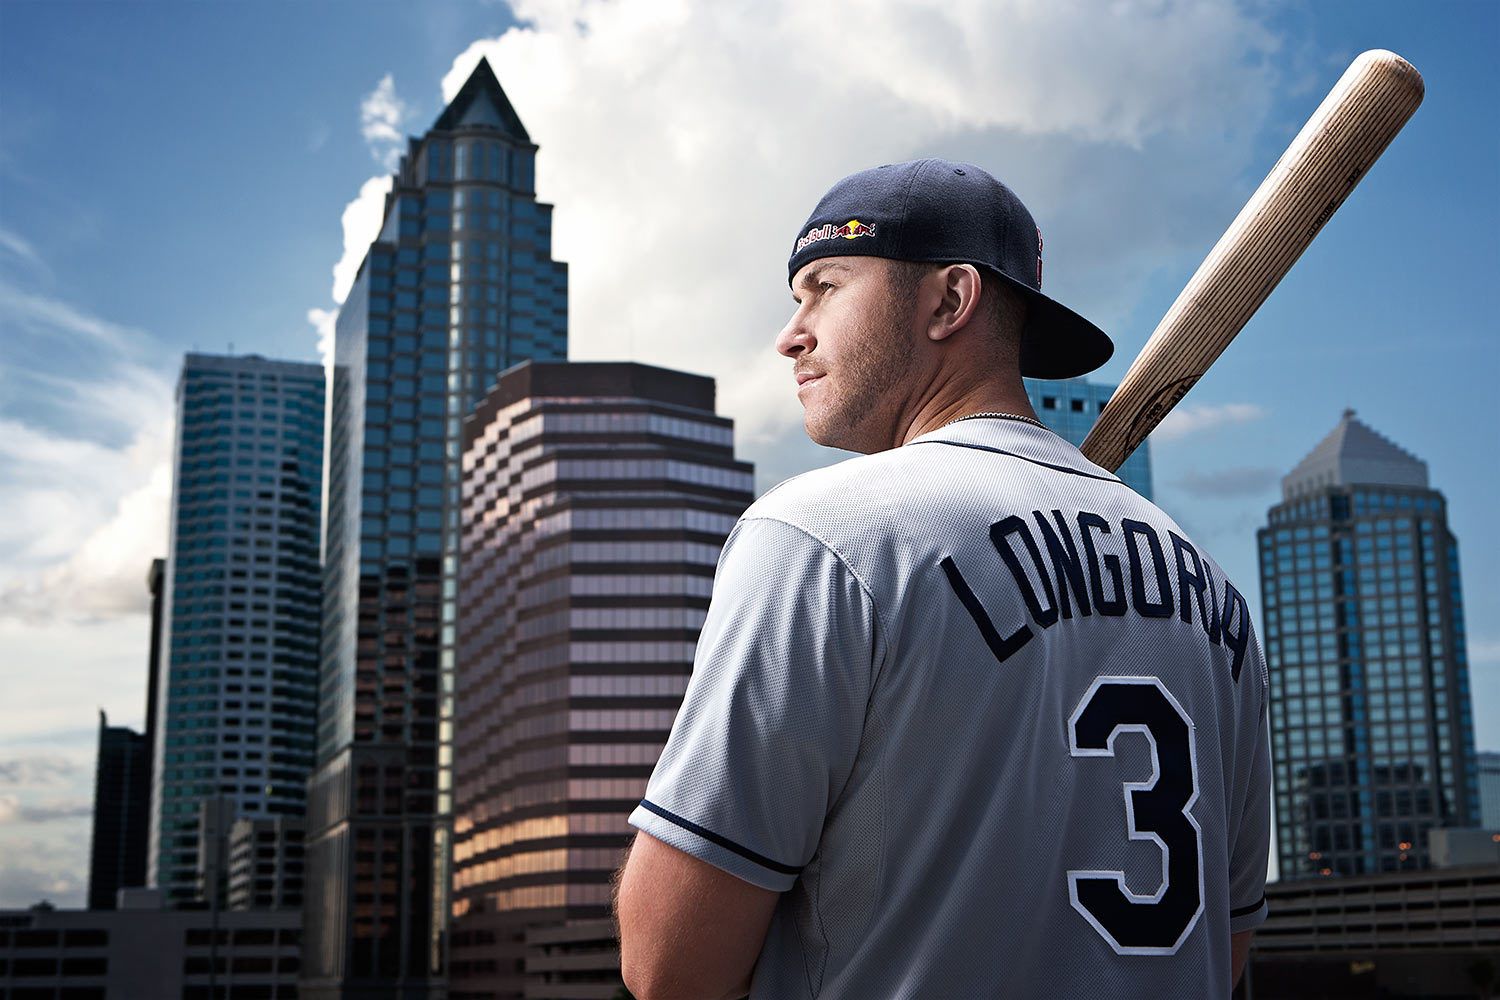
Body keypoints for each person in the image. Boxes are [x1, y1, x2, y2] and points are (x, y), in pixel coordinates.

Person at [614, 159, 1270, 999]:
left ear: (950, 302)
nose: (791, 333)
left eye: (824, 287)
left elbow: (671, 964)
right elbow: (1229, 946)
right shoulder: (1209, 587)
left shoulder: (821, 535)